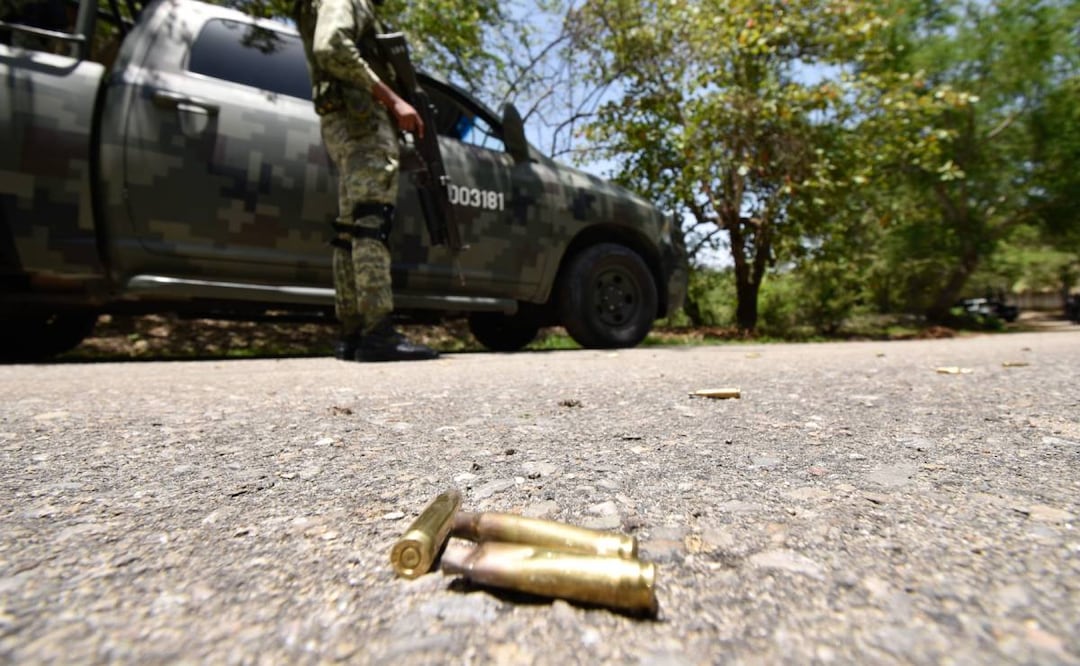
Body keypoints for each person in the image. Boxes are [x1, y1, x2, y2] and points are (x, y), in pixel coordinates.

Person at [295, 0, 439, 362]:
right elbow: (330, 45)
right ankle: (378, 332)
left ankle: (353, 333)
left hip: (343, 123)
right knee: (372, 221)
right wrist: (393, 100)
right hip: (363, 123)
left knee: (351, 227)